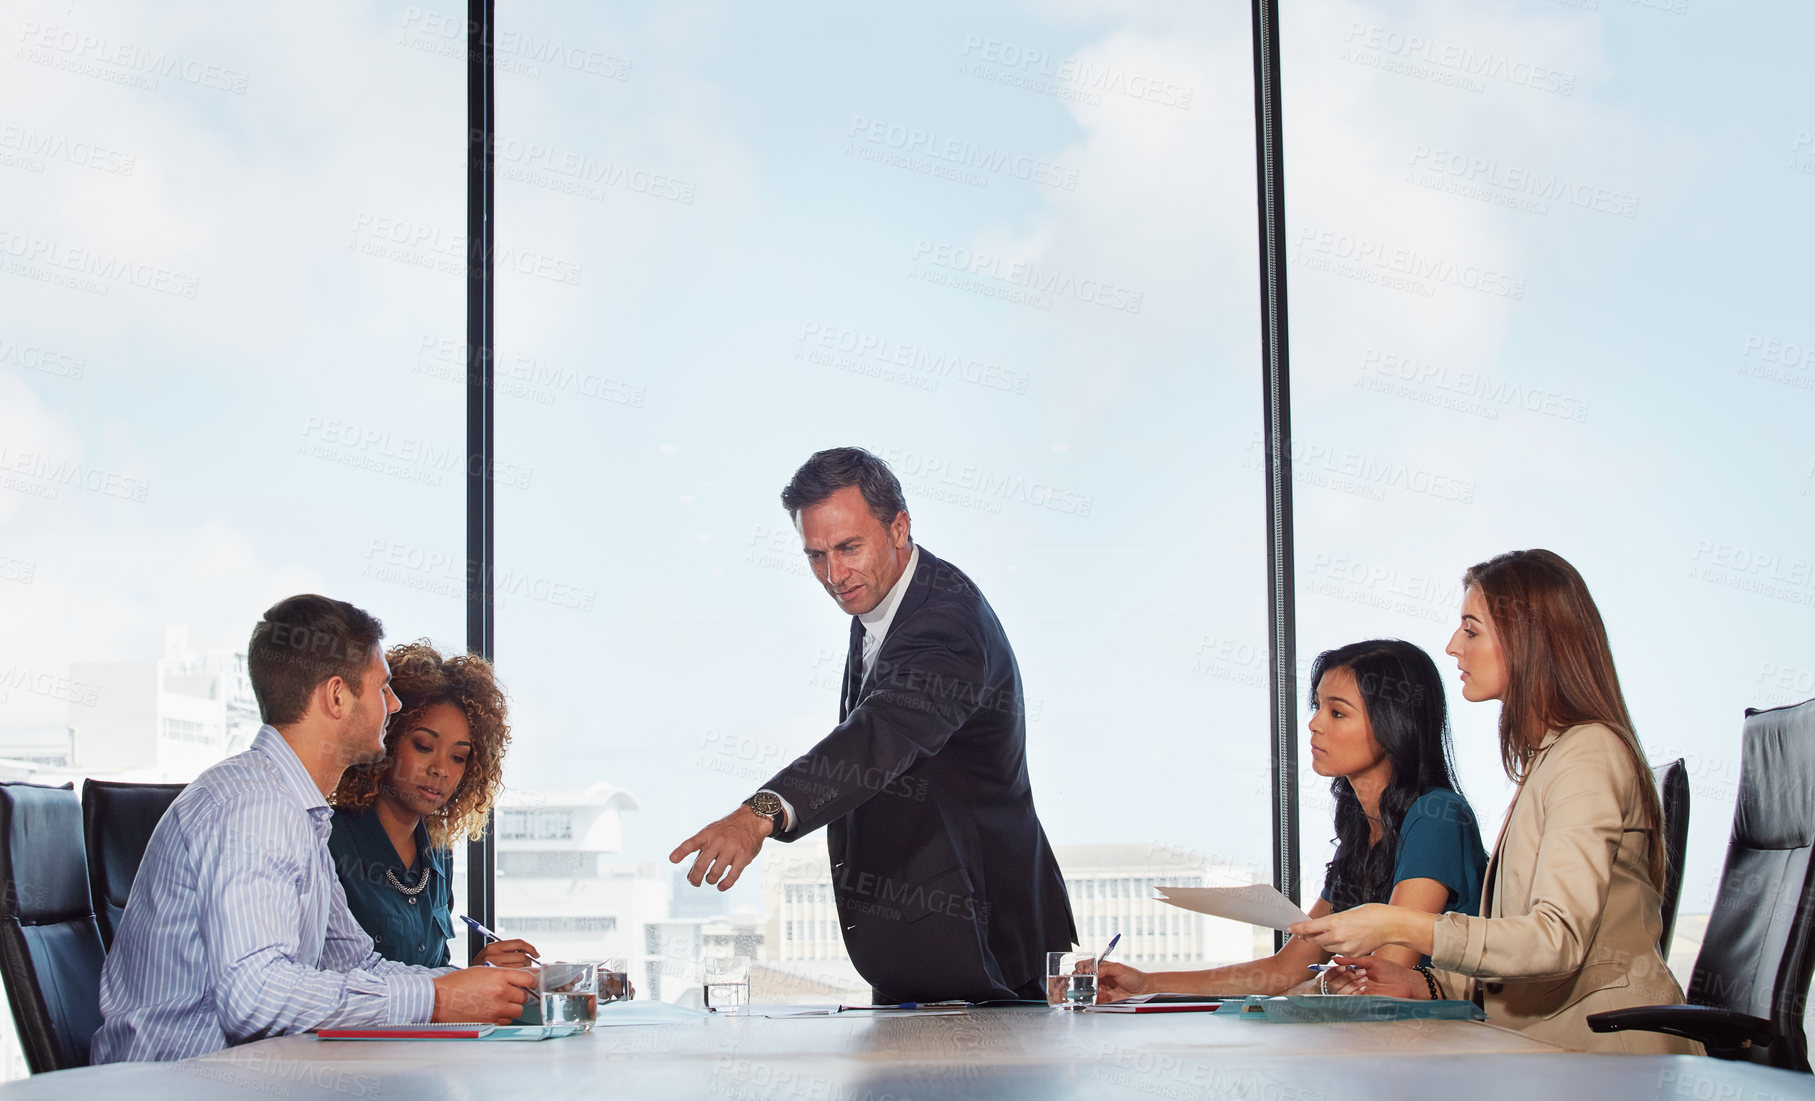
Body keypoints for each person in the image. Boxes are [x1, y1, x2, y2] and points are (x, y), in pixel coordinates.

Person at [669, 447, 1075, 1003]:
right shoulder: (886, 597)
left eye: (847, 548)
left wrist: (760, 813)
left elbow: (880, 734)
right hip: (929, 951)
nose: (834, 575)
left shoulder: (945, 623)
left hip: (979, 950)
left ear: (899, 527)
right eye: (816, 555)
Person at [1289, 550, 1700, 1055]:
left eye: (1471, 629)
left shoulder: (1588, 754)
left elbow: (1556, 942)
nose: (1453, 646)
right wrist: (1424, 985)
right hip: (1541, 1050)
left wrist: (1397, 923)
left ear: (1529, 639)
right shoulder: (1551, 761)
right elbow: (1518, 969)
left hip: (1606, 1058)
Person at [92, 595, 535, 1063]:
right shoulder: (253, 806)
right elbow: (255, 997)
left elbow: (355, 963)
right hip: (172, 1085)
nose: (395, 703)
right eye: (383, 688)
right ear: (338, 696)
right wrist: (441, 1000)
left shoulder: (299, 812)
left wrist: (471, 987)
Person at [1097, 639, 1487, 1001]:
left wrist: (1319, 985)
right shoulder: (1362, 832)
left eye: (1337, 712)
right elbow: (1285, 970)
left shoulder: (1437, 817)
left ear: (1393, 723)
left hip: (1446, 1050)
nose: (1315, 724)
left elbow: (1385, 973)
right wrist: (1146, 983)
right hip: (1390, 1047)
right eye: (1317, 707)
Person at [328, 640, 536, 969]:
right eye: (424, 746)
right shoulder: (330, 841)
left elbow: (434, 979)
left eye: (458, 757)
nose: (441, 769)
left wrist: (480, 975)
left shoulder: (439, 855)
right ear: (387, 739)